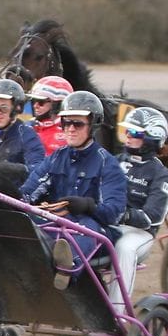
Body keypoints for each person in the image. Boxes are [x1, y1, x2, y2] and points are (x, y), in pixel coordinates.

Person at [20, 91, 127, 288]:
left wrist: (88, 206)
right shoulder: (56, 157)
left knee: (85, 229)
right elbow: (28, 191)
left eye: (77, 124)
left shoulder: (107, 164)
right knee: (24, 220)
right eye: (65, 123)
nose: (69, 129)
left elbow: (114, 212)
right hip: (57, 222)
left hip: (94, 230)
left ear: (93, 125)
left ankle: (68, 267)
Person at [110, 107, 168, 313]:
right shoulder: (116, 161)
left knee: (124, 249)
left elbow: (153, 217)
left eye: (135, 133)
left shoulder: (160, 174)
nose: (127, 136)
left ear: (152, 139)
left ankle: (117, 312)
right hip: (109, 223)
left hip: (139, 233)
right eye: (127, 131)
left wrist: (124, 214)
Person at [27, 75, 73, 155]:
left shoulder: (69, 134)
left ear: (58, 104)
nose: (35, 105)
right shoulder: (26, 127)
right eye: (34, 101)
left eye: (41, 102)